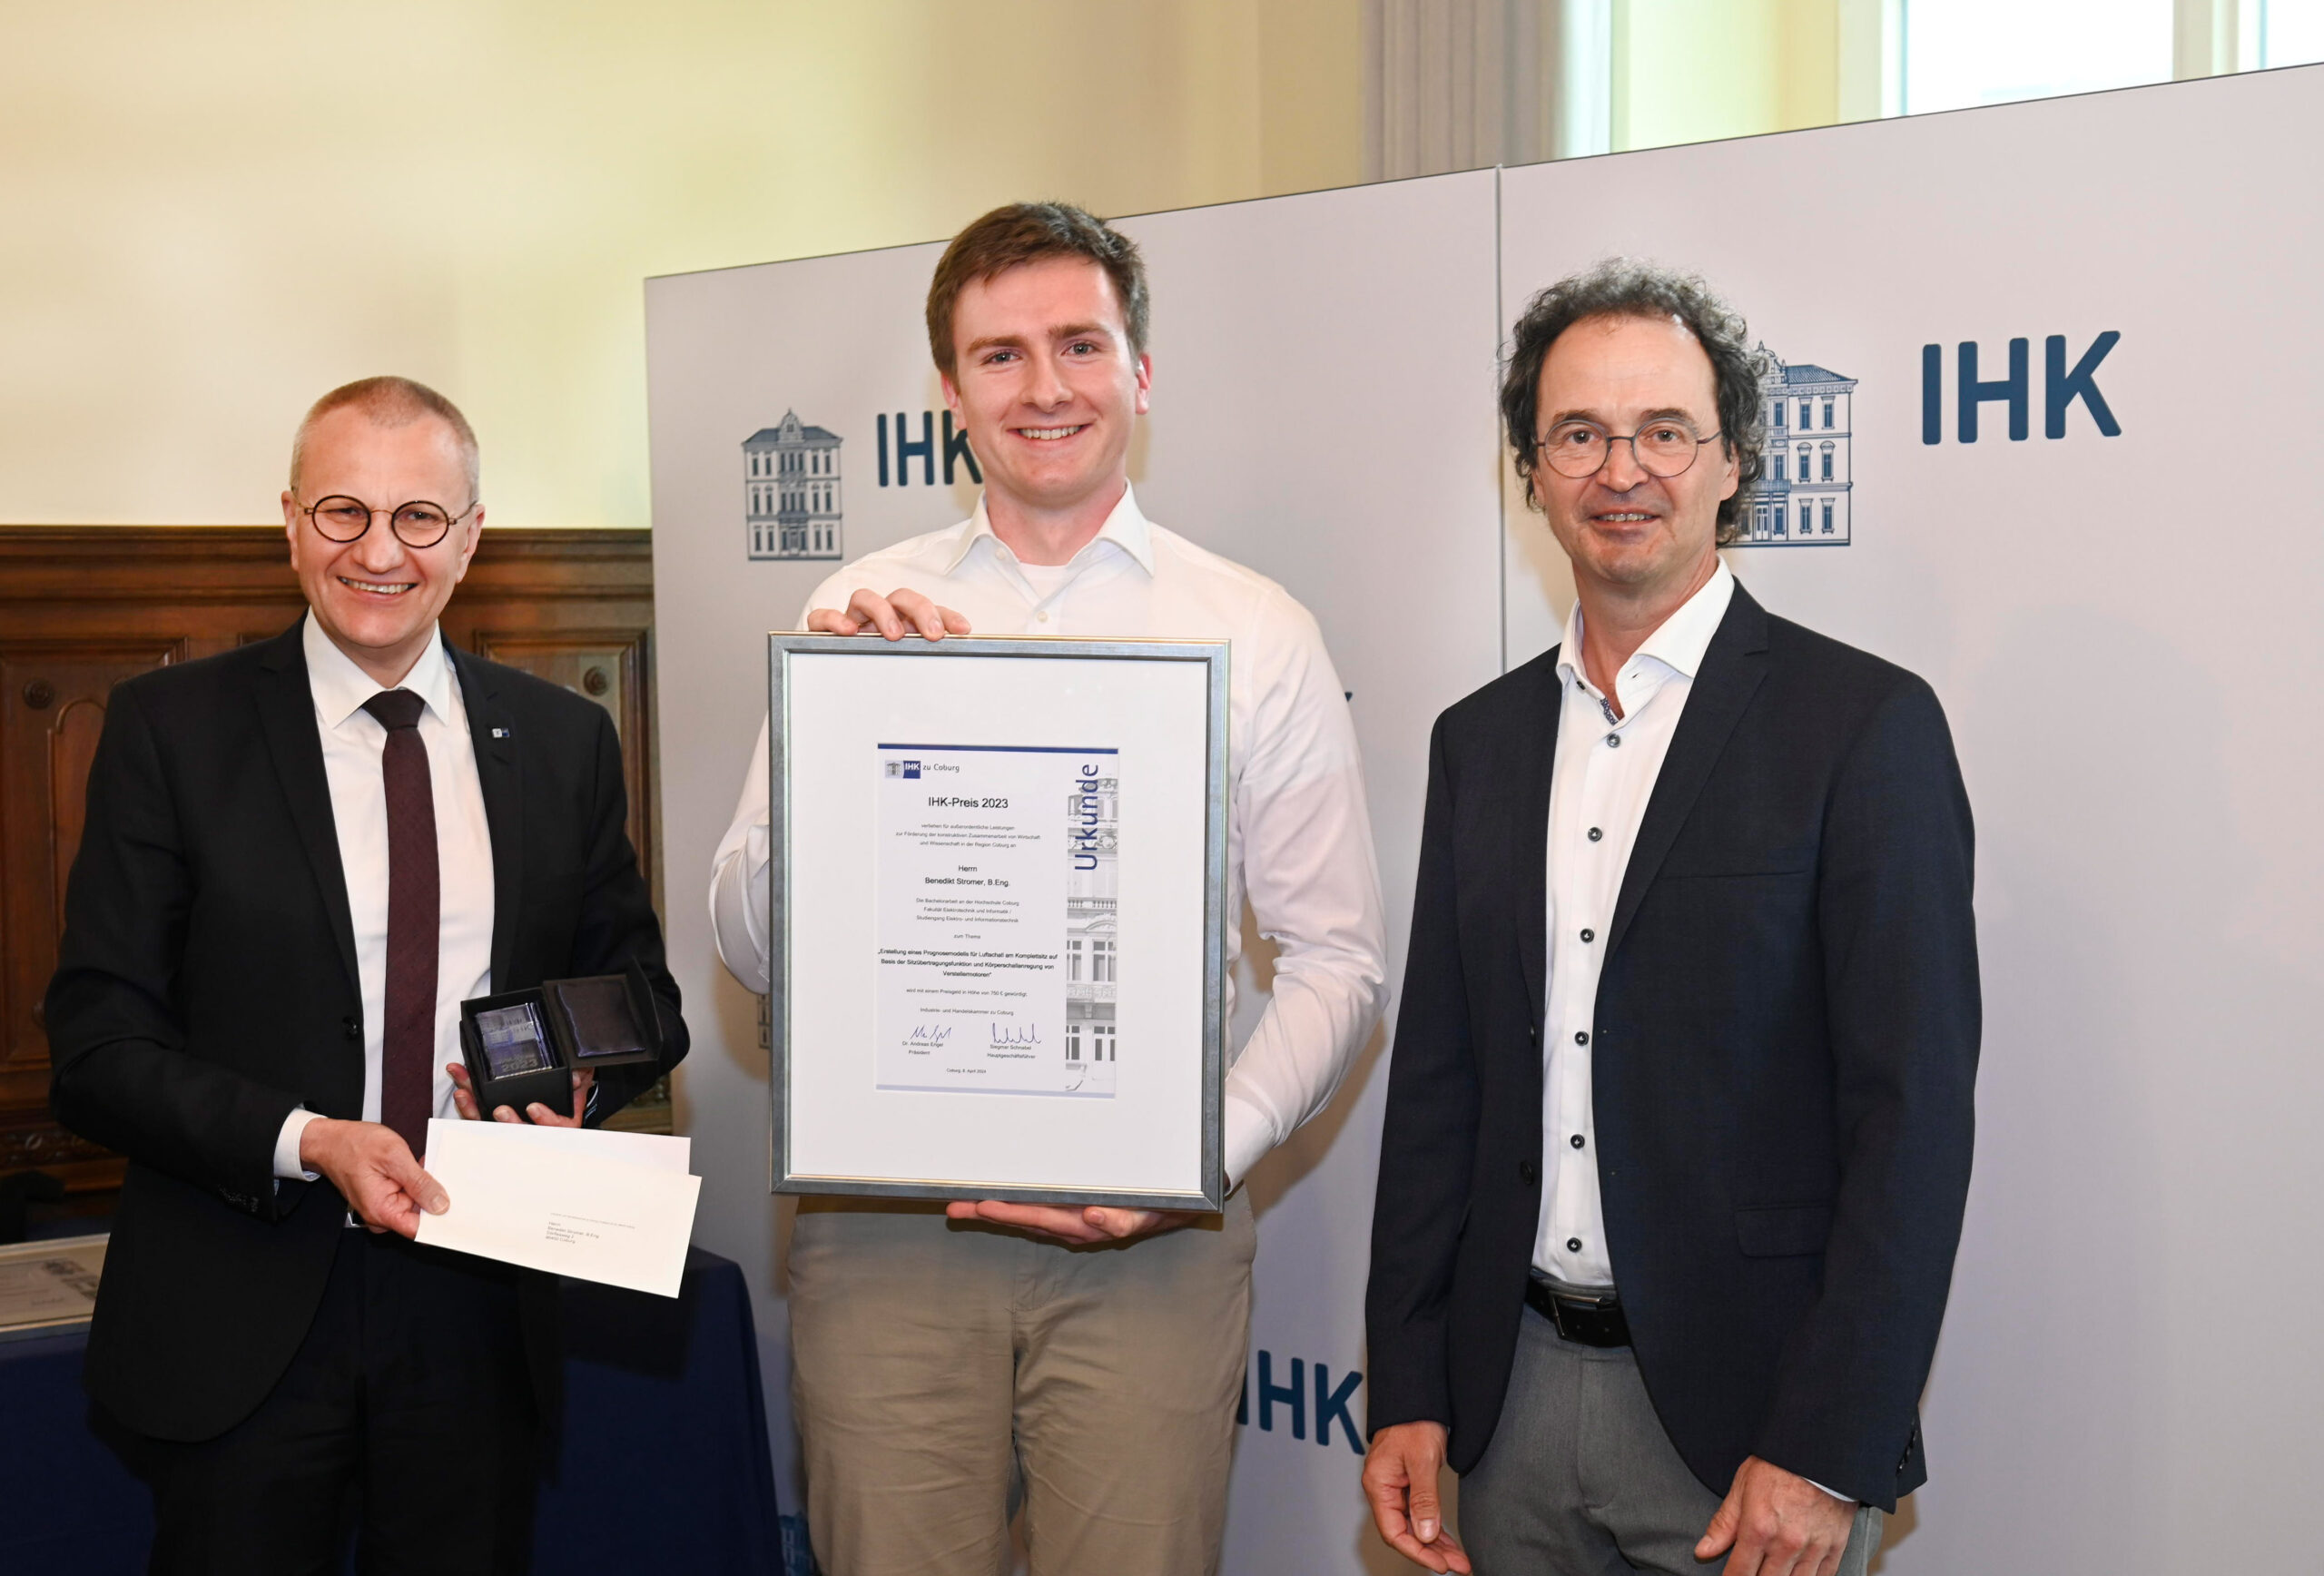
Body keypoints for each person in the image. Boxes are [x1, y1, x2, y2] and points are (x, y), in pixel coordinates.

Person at [709, 202, 1388, 1575]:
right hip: (884, 1230)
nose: (1046, 387)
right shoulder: (863, 607)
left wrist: (1201, 1160)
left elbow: (1337, 961)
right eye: (1001, 355)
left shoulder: (1255, 629)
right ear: (950, 392)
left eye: (1080, 344)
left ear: (1141, 372)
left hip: (1155, 1243)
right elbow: (747, 938)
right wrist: (845, 736)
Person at [1361, 261, 1979, 1576]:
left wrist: (1826, 1442)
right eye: (1578, 434)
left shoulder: (1861, 728)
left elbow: (1909, 1119)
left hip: (1752, 1425)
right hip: (1506, 1406)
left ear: (1732, 463)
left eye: (1664, 432)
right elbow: (1439, 1093)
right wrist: (1410, 1379)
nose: (1620, 469)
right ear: (1532, 471)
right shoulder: (1480, 742)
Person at [47, 376, 688, 1575]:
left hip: (477, 1302)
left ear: (473, 535)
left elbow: (644, 999)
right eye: (344, 513)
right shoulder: (169, 731)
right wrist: (310, 1137)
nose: (379, 551)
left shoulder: (561, 741)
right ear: (290, 522)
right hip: (242, 1294)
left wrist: (572, 1073)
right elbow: (96, 1048)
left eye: (419, 518)